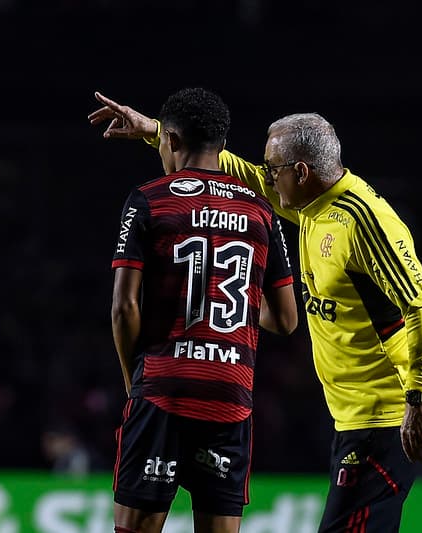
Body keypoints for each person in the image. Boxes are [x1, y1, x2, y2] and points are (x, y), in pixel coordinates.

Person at [89, 91, 422, 532]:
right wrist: (157, 133)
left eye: (274, 169)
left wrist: (420, 395)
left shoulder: (363, 220)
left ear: (301, 171)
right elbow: (243, 179)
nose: (266, 178)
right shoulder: (310, 206)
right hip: (346, 413)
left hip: (387, 413)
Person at [105, 88, 298, 533]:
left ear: (168, 141)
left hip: (164, 387)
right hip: (230, 392)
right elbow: (286, 319)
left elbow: (123, 306)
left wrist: (130, 376)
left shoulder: (150, 199)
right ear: (223, 146)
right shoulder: (261, 211)